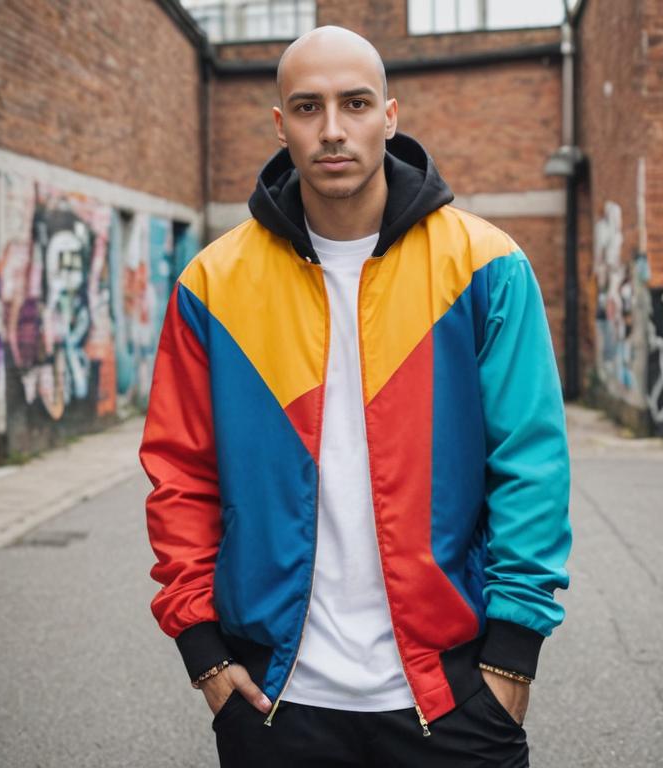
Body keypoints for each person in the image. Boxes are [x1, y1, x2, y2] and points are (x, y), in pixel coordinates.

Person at [141, 25, 571, 768]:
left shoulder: (485, 266)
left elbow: (531, 463)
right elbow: (180, 471)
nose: (333, 130)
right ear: (280, 124)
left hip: (451, 690)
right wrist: (204, 653)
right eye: (308, 107)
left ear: (391, 115)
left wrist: (512, 655)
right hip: (275, 699)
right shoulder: (212, 285)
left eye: (356, 103)